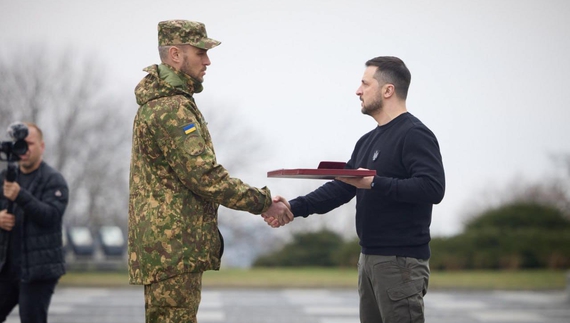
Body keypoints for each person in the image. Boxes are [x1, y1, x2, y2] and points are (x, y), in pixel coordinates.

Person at [128, 20, 292, 323]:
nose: (207, 60)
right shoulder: (171, 108)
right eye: (200, 52)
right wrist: (263, 202)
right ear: (175, 55)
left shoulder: (169, 103)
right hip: (173, 251)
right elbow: (204, 176)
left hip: (170, 249)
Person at [264, 56, 445, 323]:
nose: (358, 91)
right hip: (369, 259)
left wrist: (373, 182)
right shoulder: (367, 141)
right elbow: (341, 189)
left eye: (364, 83)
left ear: (387, 90)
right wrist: (293, 207)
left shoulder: (414, 134)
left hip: (400, 262)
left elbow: (433, 188)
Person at [0, 122, 69, 323]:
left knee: (31, 319)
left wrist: (20, 195)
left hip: (39, 270)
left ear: (42, 146)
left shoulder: (53, 180)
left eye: (30, 143)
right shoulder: (6, 177)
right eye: (20, 144)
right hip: (6, 268)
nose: (25, 149)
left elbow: (51, 216)